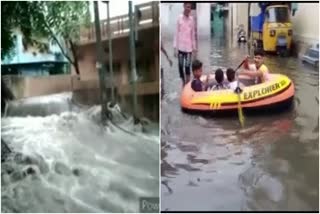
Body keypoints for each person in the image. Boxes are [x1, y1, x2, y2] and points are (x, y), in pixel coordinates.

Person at [174, 2, 197, 87]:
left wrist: (194, 48)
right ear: (183, 6)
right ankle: (183, 81)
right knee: (180, 66)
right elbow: (176, 33)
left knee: (187, 67)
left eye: (190, 7)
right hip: (180, 48)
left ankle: (187, 84)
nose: (188, 9)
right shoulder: (179, 18)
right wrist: (175, 48)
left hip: (189, 49)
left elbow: (193, 34)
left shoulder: (191, 19)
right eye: (187, 7)